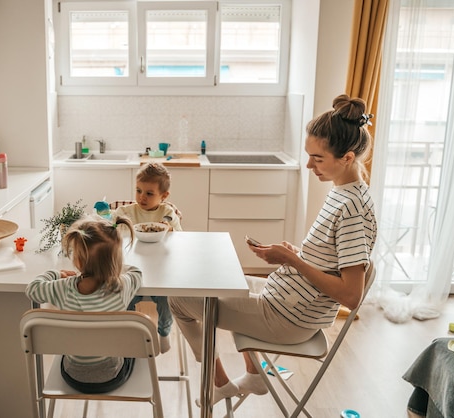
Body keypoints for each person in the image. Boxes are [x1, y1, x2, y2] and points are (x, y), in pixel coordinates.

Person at [168, 94, 378, 405]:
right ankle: (254, 376)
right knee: (219, 280)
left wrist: (293, 259)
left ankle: (220, 383)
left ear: (347, 157)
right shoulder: (343, 192)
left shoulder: (352, 209)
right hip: (284, 301)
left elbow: (350, 295)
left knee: (178, 298)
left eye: (317, 159)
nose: (308, 165)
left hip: (289, 319)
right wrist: (297, 255)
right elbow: (331, 259)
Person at [25, 214, 142, 394]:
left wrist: (55, 274)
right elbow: (136, 273)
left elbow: (32, 289)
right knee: (133, 320)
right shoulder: (121, 288)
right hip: (113, 377)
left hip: (72, 376)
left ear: (78, 262)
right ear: (115, 261)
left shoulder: (62, 289)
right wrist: (115, 266)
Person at [113, 162, 182, 353]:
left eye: (149, 193)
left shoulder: (167, 213)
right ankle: (130, 334)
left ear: (164, 196)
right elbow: (113, 222)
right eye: (138, 190)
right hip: (131, 269)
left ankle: (164, 332)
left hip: (160, 271)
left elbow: (172, 225)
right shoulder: (126, 212)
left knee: (166, 301)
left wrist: (167, 225)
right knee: (125, 298)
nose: (142, 197)